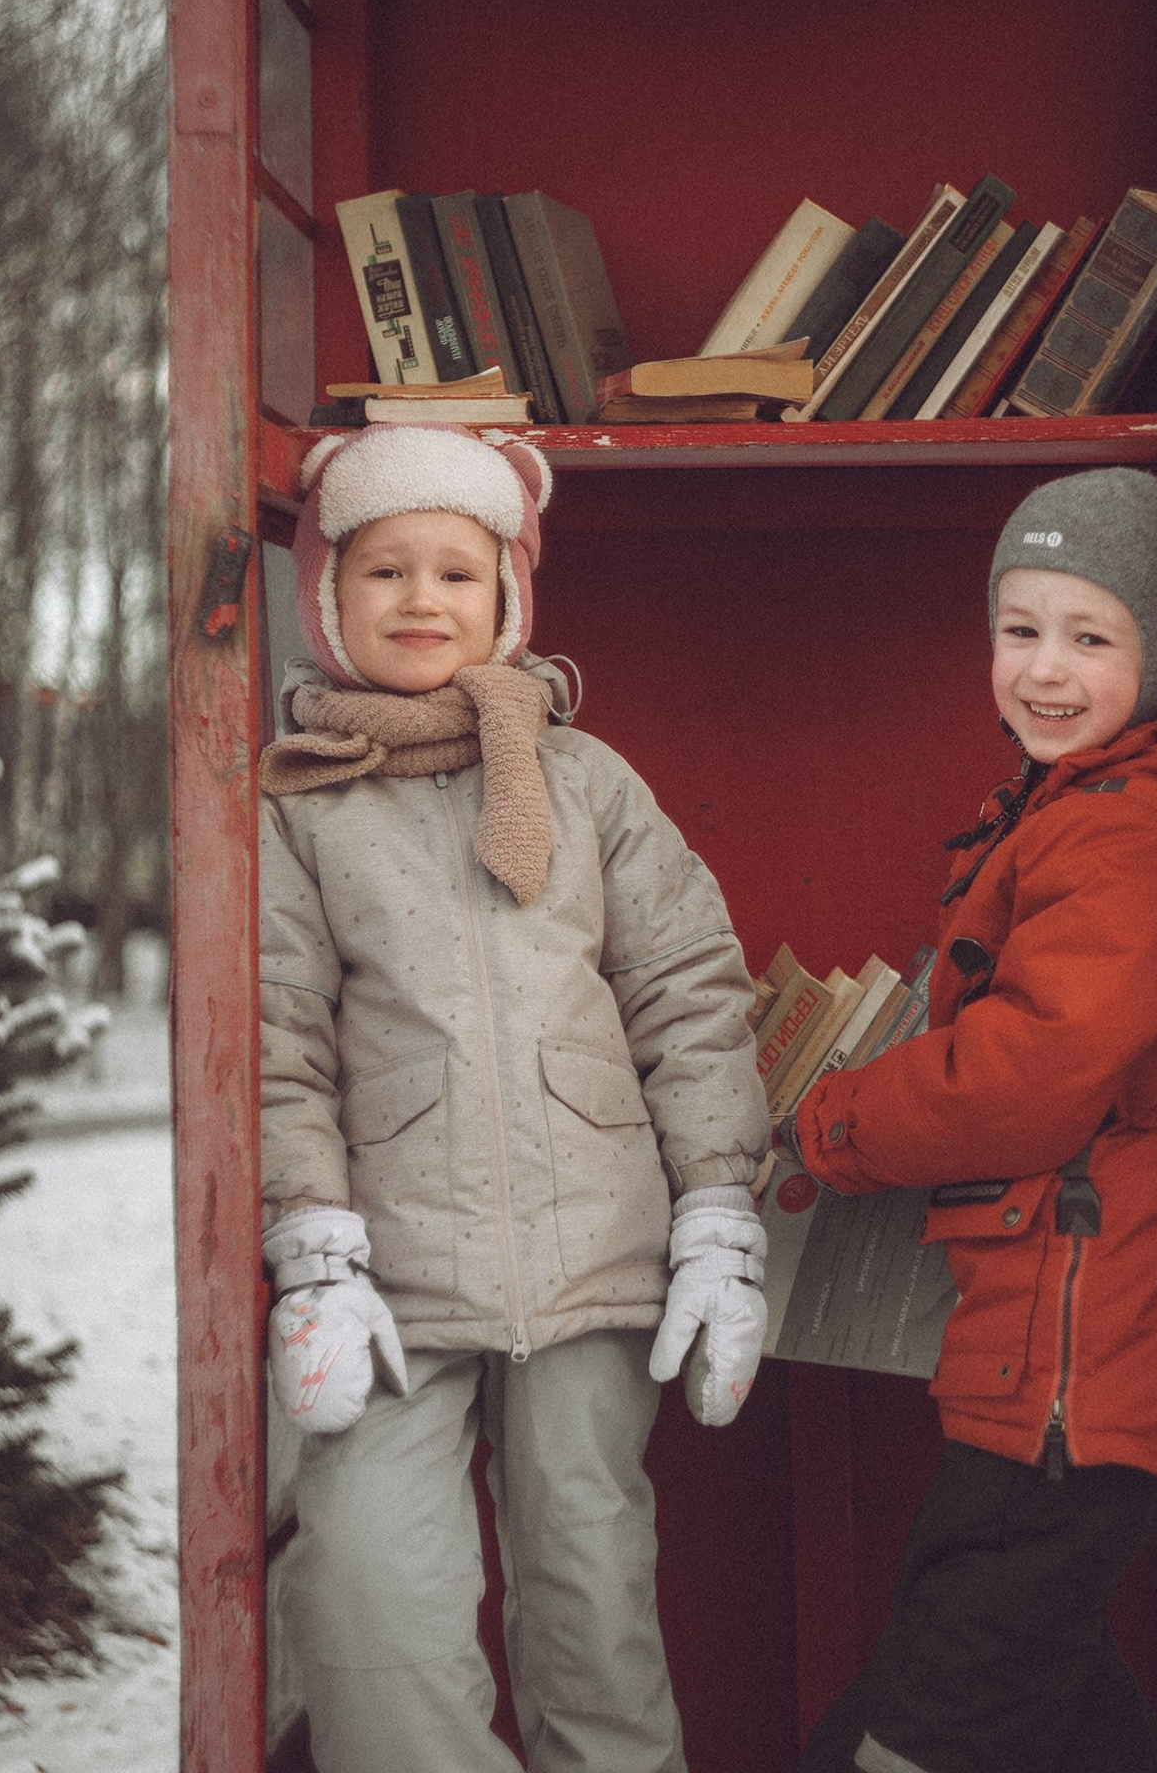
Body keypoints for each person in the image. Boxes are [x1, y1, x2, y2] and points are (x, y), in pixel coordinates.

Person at [256, 422, 771, 1773]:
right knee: (373, 1603)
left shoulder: (589, 783)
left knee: (593, 1603)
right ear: (326, 597)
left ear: (507, 600)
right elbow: (274, 1036)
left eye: (455, 575)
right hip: (388, 1280)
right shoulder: (295, 809)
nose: (422, 601)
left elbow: (690, 992)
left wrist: (718, 1215)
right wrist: (312, 1247)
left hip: (594, 1255)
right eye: (383, 572)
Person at [791, 467, 1157, 1773]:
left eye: (1091, 638)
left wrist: (830, 1125)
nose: (1045, 670)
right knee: (1040, 1685)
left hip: (1090, 1356)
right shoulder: (1085, 813)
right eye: (1021, 629)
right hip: (1058, 1347)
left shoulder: (1138, 844)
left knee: (919, 1722)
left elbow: (1024, 1075)